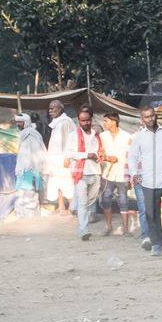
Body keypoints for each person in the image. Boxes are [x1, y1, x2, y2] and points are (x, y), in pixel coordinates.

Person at [129, 106, 162, 256]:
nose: (150, 119)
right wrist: (134, 173)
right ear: (142, 119)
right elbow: (132, 157)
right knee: (151, 214)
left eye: (152, 116)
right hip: (147, 182)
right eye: (146, 117)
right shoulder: (139, 137)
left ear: (156, 116)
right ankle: (157, 243)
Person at [68, 106, 103, 241]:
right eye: (82, 121)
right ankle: (83, 230)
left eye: (87, 120)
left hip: (95, 173)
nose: (85, 123)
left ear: (91, 120)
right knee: (83, 202)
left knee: (91, 200)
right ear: (78, 120)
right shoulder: (73, 136)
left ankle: (84, 222)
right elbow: (69, 153)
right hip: (80, 174)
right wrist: (87, 155)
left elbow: (101, 152)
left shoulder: (96, 136)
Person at [98, 112, 132, 236]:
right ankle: (109, 227)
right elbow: (99, 153)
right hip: (107, 174)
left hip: (123, 173)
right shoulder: (102, 136)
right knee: (106, 199)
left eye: (106, 121)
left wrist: (130, 177)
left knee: (123, 201)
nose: (104, 123)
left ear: (113, 121)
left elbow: (130, 157)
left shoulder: (127, 136)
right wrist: (106, 157)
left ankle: (126, 229)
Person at [45, 100, 76, 214]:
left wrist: (67, 157)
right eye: (49, 108)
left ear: (60, 109)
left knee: (67, 182)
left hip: (64, 159)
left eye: (53, 108)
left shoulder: (66, 122)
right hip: (55, 159)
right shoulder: (56, 122)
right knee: (57, 182)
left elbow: (71, 141)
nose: (50, 110)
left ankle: (73, 206)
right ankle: (61, 206)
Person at [13, 113, 47, 218]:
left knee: (29, 193)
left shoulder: (32, 134)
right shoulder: (23, 134)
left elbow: (37, 151)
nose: (18, 124)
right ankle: (22, 214)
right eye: (17, 122)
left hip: (31, 168)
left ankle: (31, 216)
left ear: (26, 122)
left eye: (20, 122)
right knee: (22, 193)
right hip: (22, 168)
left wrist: (35, 167)